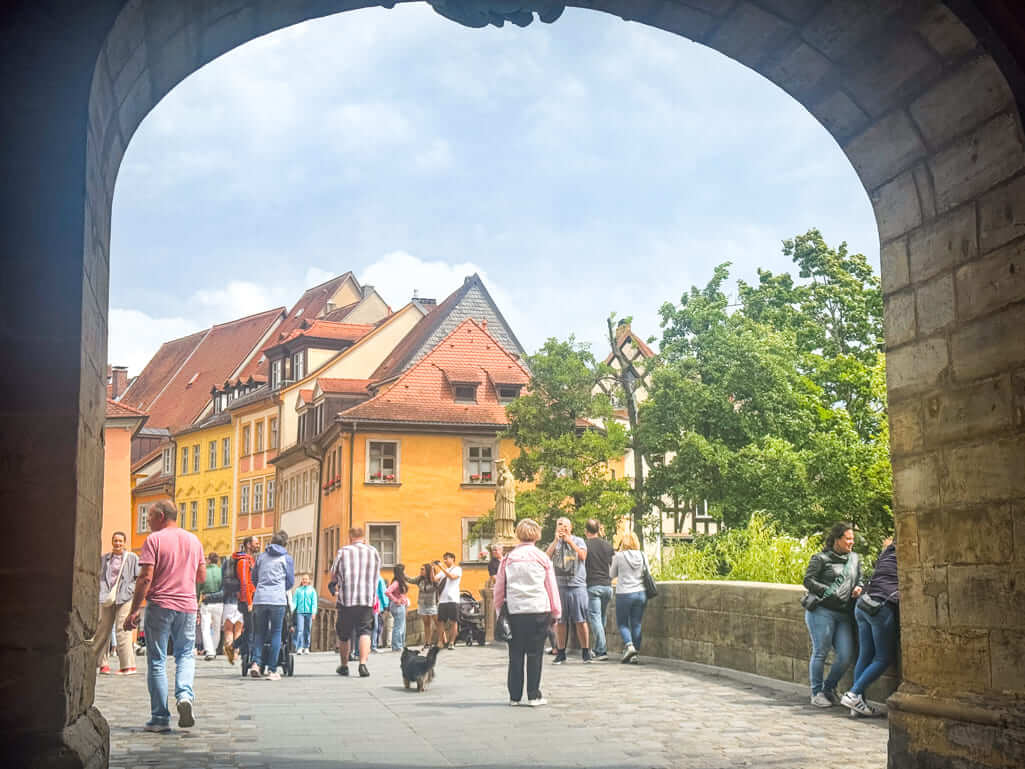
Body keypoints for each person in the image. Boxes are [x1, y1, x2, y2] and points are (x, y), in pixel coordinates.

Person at [123, 500, 205, 733]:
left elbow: (145, 577)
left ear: (160, 516)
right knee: (185, 654)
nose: (147, 521)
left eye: (149, 516)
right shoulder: (194, 540)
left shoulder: (154, 540)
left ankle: (159, 717)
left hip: (160, 604)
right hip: (187, 605)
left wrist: (134, 609)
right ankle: (184, 696)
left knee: (157, 660)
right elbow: (201, 576)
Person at [494, 518, 562, 706]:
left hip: (515, 610)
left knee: (515, 654)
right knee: (535, 653)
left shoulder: (508, 559)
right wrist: (556, 612)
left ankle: (514, 696)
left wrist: (499, 611)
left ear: (518, 534)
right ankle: (533, 695)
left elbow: (499, 588)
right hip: (538, 609)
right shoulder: (542, 558)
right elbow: (551, 587)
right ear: (537, 535)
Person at [803, 521, 863, 708]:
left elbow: (860, 578)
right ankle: (816, 693)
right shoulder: (820, 558)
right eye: (848, 539)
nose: (852, 542)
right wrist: (829, 591)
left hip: (843, 613)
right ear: (837, 539)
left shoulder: (854, 559)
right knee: (820, 652)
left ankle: (828, 688)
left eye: (852, 539)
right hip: (822, 611)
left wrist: (859, 587)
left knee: (845, 656)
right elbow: (808, 580)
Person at [842, 536, 899, 717]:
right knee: (883, 658)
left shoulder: (886, 553)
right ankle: (853, 694)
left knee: (865, 655)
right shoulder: (904, 555)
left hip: (863, 604)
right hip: (880, 607)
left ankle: (857, 705)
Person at [329, 527, 382, 677]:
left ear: (350, 537)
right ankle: (363, 664)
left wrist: (336, 583)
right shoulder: (373, 552)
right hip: (366, 599)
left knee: (344, 634)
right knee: (365, 631)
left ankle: (344, 665)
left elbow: (333, 573)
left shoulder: (343, 552)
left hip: (347, 600)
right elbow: (377, 573)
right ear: (364, 537)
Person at [248, 530, 295, 680]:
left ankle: (256, 664)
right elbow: (290, 581)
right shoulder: (286, 558)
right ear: (285, 543)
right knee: (276, 633)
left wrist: (261, 587)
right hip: (277, 599)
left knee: (259, 633)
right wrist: (280, 588)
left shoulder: (261, 557)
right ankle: (272, 670)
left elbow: (254, 577)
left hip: (260, 598)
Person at [93, 531, 140, 675]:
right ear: (112, 542)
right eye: (115, 540)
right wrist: (101, 590)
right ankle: (101, 663)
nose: (118, 543)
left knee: (122, 628)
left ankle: (128, 666)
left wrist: (131, 589)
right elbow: (98, 576)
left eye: (120, 541)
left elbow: (138, 577)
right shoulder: (104, 559)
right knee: (103, 629)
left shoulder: (132, 557)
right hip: (106, 596)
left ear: (124, 543)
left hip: (125, 596)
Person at [545, 517, 590, 664]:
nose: (562, 527)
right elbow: (546, 558)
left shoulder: (579, 541)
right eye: (559, 525)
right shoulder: (555, 543)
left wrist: (569, 541)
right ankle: (561, 652)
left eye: (565, 525)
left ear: (570, 528)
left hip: (577, 586)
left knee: (580, 620)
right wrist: (555, 541)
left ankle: (585, 652)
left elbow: (583, 556)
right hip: (561, 586)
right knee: (561, 621)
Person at [610, 531, 649, 664]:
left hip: (624, 593)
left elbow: (612, 574)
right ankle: (634, 655)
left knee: (622, 623)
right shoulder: (642, 555)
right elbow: (647, 572)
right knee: (636, 623)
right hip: (641, 593)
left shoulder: (619, 556)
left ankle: (629, 645)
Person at [222, 537, 257, 665]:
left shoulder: (250, 559)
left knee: (250, 629)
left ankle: (237, 649)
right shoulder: (243, 561)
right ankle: (247, 655)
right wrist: (249, 602)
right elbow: (244, 583)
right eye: (256, 543)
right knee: (251, 630)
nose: (258, 545)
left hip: (251, 598)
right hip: (246, 600)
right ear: (248, 545)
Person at [583, 519, 614, 661]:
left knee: (595, 618)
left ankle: (602, 650)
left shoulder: (585, 545)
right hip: (607, 586)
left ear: (586, 531)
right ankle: (596, 649)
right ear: (599, 529)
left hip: (593, 586)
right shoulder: (607, 545)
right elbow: (612, 566)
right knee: (601, 618)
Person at [434, 552, 462, 650]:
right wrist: (432, 569)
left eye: (447, 558)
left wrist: (441, 568)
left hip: (453, 599)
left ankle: (451, 642)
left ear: (453, 559)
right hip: (442, 600)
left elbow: (452, 577)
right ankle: (440, 641)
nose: (445, 561)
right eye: (444, 559)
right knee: (440, 622)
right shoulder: (443, 571)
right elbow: (434, 579)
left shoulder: (457, 569)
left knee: (453, 621)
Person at [198, 552, 223, 661]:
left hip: (206, 603)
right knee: (217, 628)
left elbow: (198, 588)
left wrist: (196, 602)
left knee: (205, 628)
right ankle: (214, 648)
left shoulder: (203, 572)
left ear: (208, 560)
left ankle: (210, 651)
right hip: (219, 603)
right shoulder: (221, 571)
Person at [413, 563, 439, 649]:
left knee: (437, 623)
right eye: (420, 569)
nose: (421, 571)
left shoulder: (434, 581)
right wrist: (402, 574)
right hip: (422, 604)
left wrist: (421, 585)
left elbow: (429, 589)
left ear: (427, 571)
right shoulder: (420, 579)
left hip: (432, 604)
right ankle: (427, 642)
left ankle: (442, 640)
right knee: (426, 624)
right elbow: (411, 580)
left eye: (422, 569)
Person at [385, 564, 410, 651]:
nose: (405, 572)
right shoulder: (396, 582)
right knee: (399, 626)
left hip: (400, 606)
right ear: (401, 572)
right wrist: (396, 600)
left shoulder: (400, 581)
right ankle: (397, 646)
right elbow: (387, 592)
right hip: (397, 606)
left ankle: (400, 645)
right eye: (404, 570)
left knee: (401, 626)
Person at [292, 573, 318, 655]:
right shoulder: (298, 590)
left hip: (309, 613)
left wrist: (313, 612)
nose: (304, 580)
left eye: (306, 579)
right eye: (303, 579)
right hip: (300, 612)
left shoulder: (312, 590)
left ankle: (306, 647)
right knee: (300, 630)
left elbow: (314, 603)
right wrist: (291, 609)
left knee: (307, 630)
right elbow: (294, 602)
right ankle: (299, 647)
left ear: (309, 580)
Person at [372, 573, 390, 651]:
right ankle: (374, 645)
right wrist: (386, 605)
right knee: (377, 626)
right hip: (377, 606)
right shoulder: (379, 578)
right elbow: (383, 592)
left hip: (365, 605)